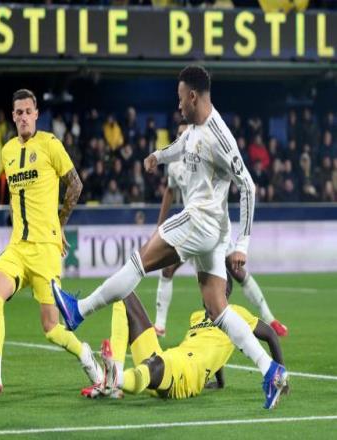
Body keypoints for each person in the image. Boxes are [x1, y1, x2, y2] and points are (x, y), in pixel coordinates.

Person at [53, 65, 288, 409]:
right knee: (217, 309)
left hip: (200, 221)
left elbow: (248, 187)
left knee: (137, 263)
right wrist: (158, 157)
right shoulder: (195, 129)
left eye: (180, 98)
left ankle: (79, 310)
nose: (177, 105)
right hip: (211, 230)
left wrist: (243, 245)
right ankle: (270, 370)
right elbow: (183, 146)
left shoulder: (221, 137)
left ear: (193, 96)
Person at [0, 89, 102, 394]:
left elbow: (75, 185)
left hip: (45, 250)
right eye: (19, 112)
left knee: (51, 329)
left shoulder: (50, 144)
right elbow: (16, 199)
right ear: (13, 116)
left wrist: (59, 224)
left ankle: (85, 355)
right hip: (17, 247)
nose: (24, 117)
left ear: (37, 114)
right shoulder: (7, 151)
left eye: (29, 111)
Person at [154, 124, 288, 338]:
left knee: (237, 270)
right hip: (190, 228)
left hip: (214, 226)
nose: (183, 136)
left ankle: (270, 318)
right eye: (179, 134)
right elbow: (170, 191)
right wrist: (160, 224)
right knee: (167, 269)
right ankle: (159, 326)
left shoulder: (206, 156)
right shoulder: (174, 166)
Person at [81, 275, 287, 405]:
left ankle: (117, 379)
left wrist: (282, 378)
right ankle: (115, 375)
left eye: (208, 285)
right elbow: (213, 346)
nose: (203, 290)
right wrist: (220, 381)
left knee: (153, 365)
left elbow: (270, 334)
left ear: (223, 291)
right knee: (123, 292)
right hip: (170, 361)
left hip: (186, 372)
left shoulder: (236, 314)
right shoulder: (197, 316)